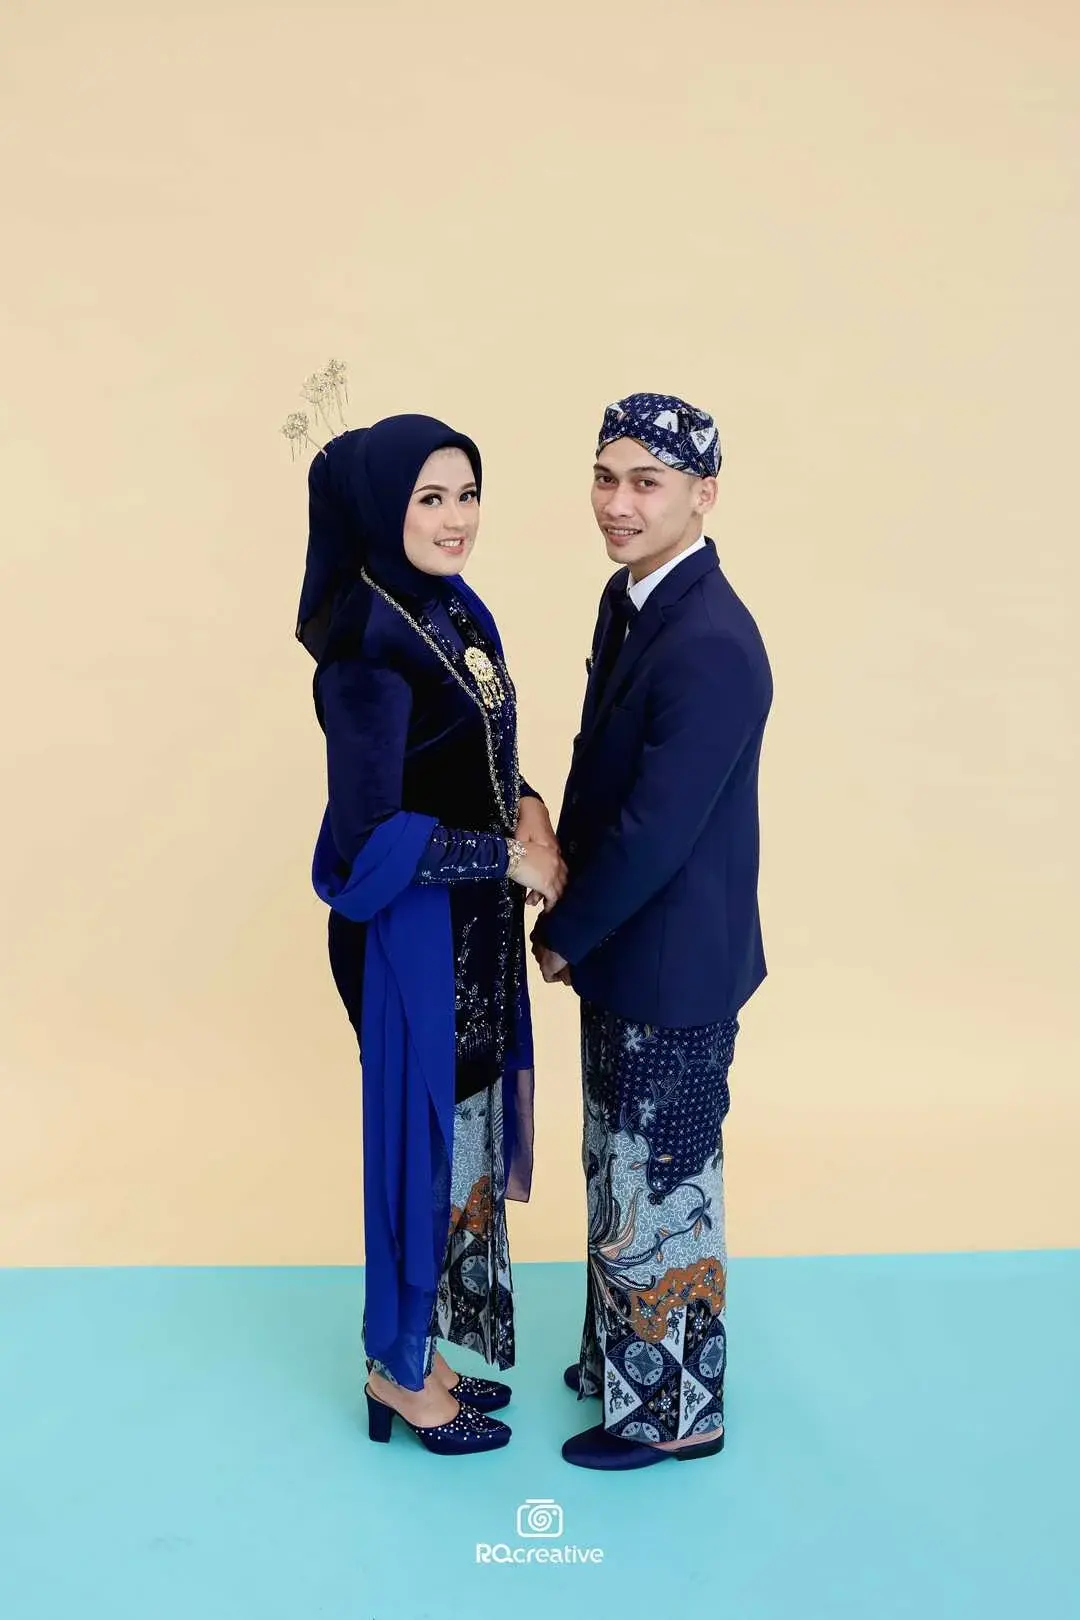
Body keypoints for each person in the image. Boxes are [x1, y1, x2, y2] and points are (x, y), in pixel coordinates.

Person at [296, 414, 566, 1456]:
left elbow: (472, 750)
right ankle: (395, 1372)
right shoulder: (367, 649)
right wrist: (507, 859)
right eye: (430, 499)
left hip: (467, 936)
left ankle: (422, 1352)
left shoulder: (450, 609)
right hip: (411, 948)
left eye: (468, 495)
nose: (458, 520)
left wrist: (527, 801)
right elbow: (371, 837)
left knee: (452, 1149)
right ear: (382, 510)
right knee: (415, 1156)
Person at [531, 391, 773, 1470]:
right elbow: (604, 768)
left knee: (664, 1183)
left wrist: (566, 928)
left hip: (672, 960)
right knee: (616, 1164)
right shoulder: (631, 598)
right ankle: (619, 1363)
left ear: (703, 494)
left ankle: (678, 1416)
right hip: (629, 947)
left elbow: (656, 830)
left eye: (647, 482)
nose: (617, 504)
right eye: (605, 477)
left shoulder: (712, 641)